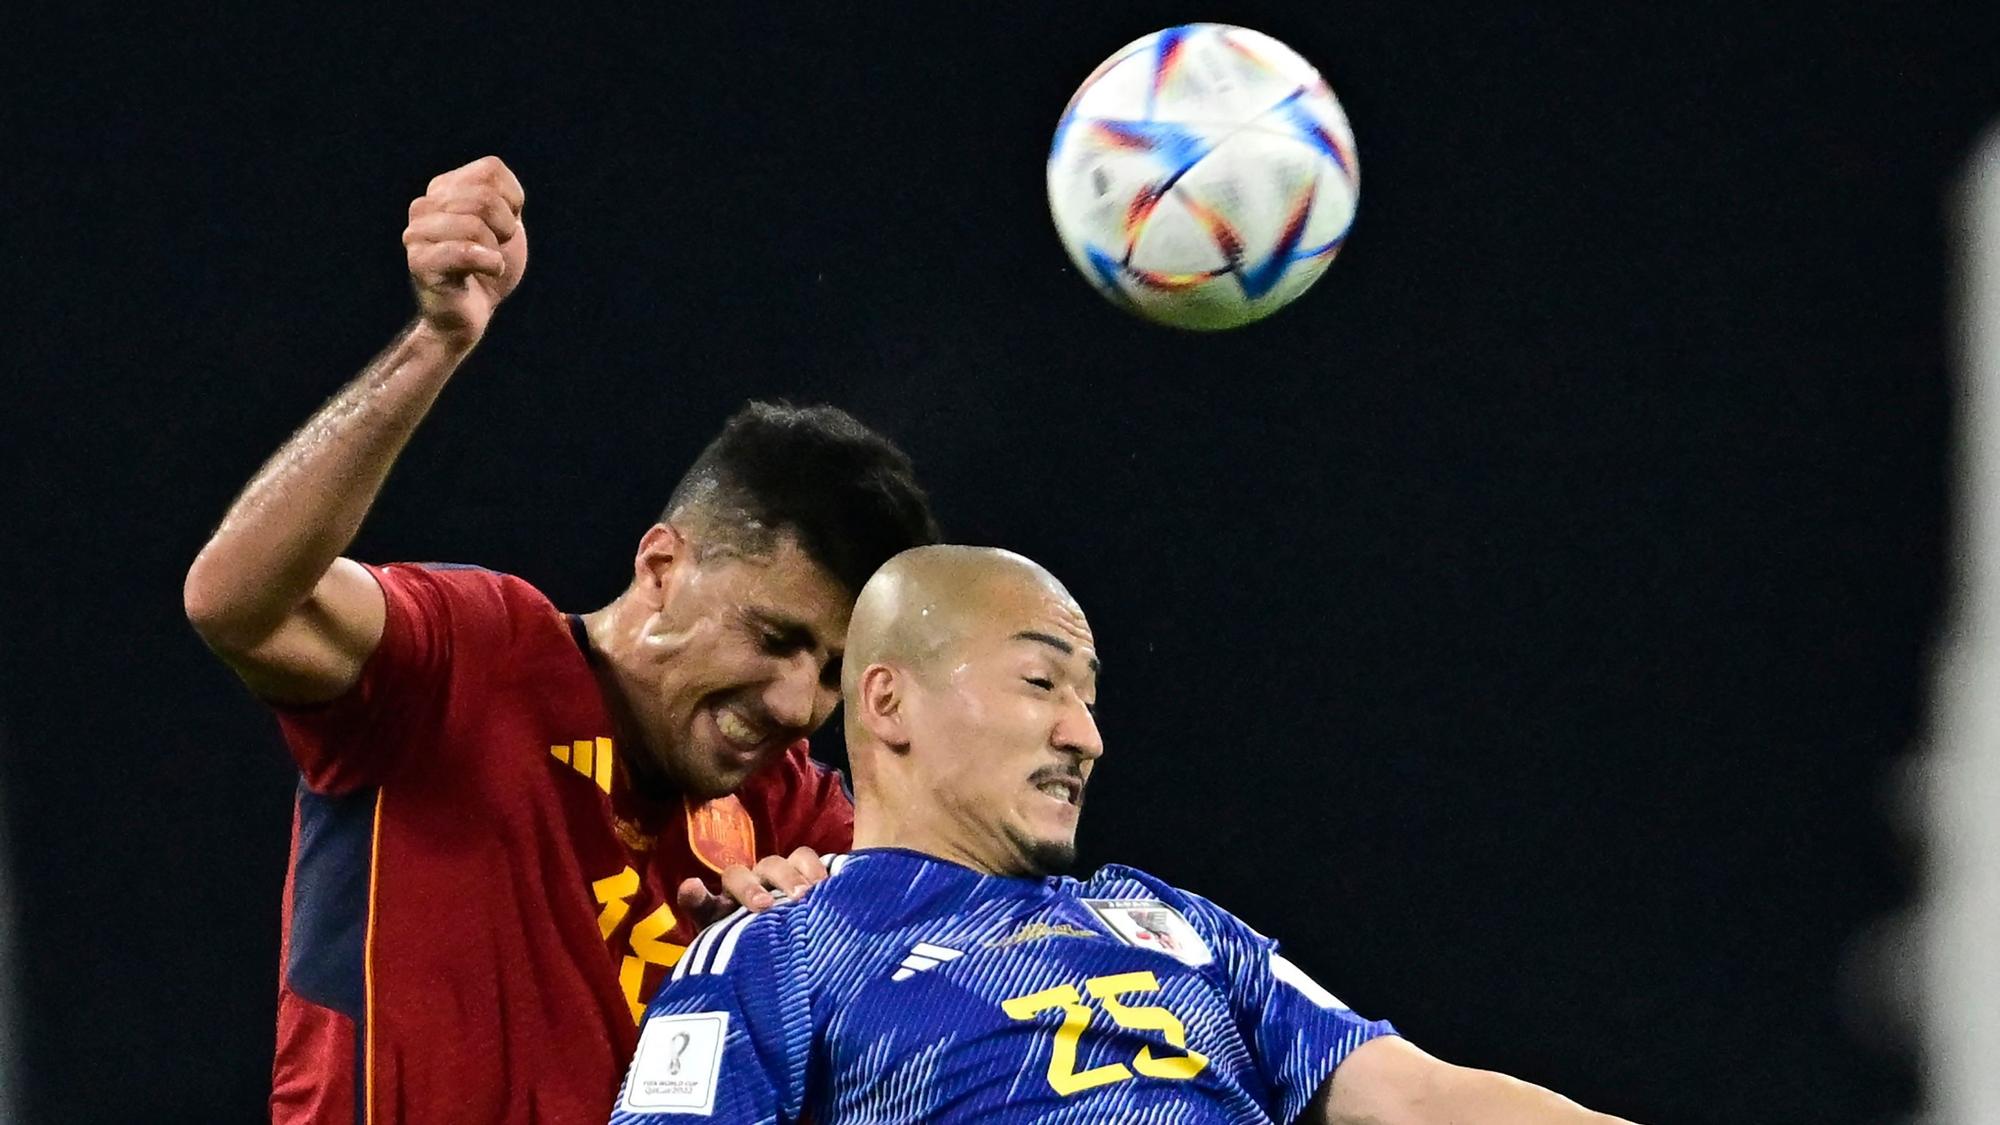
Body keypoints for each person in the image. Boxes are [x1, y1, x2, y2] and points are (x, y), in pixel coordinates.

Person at [182, 156, 938, 1125]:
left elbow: (964, 942)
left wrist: (833, 938)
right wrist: (434, 343)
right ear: (662, 568)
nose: (797, 705)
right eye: (773, 637)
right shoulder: (472, 658)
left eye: (831, 671)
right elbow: (237, 603)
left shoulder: (790, 815)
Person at [614, 546, 1636, 1124]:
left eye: (1089, 697)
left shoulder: (1172, 926)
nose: (1085, 735)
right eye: (1039, 683)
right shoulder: (781, 950)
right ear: (887, 702)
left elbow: (1416, 1100)